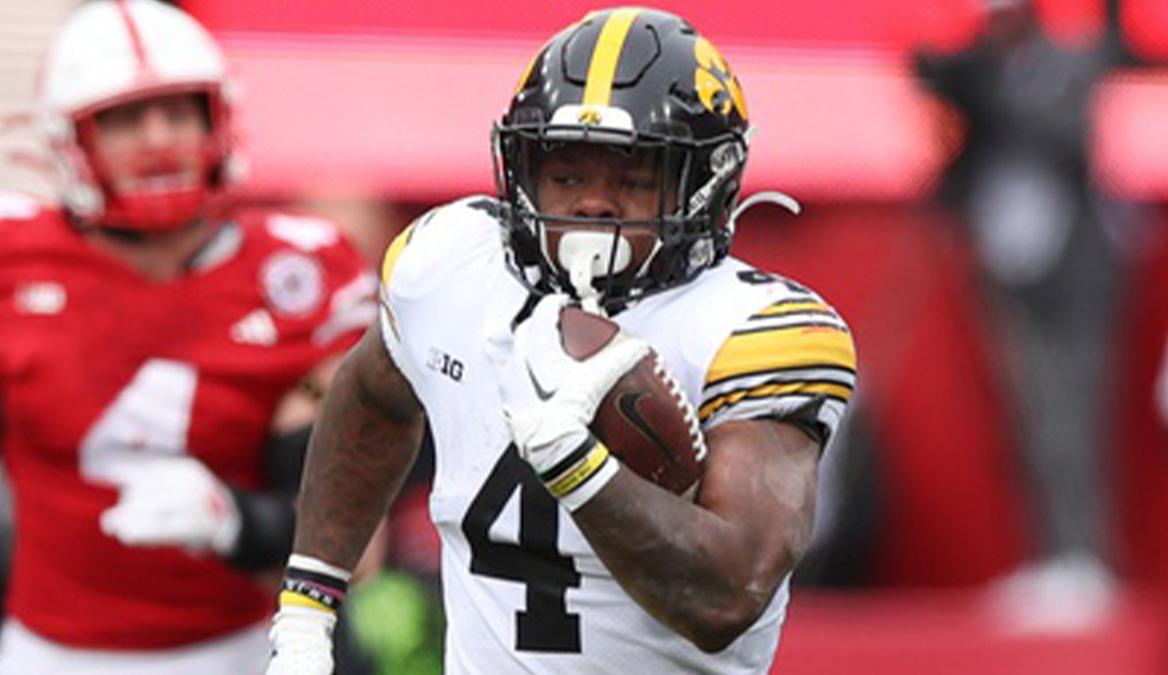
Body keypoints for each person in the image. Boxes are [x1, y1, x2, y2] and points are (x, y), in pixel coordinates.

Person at [265, 7, 857, 674]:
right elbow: (371, 393)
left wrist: (578, 466)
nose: (592, 205)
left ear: (705, 186)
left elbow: (728, 595)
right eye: (568, 174)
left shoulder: (754, 329)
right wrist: (308, 608)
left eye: (632, 176)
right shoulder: (452, 264)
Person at [0, 1, 376, 673]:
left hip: (246, 646)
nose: (159, 138)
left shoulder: (299, 273)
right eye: (125, 118)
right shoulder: (1, 258)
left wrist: (235, 521)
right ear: (69, 138)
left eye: (178, 110)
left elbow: (360, 550)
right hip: (50, 652)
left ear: (217, 117)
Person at [912, 0, 1121, 630]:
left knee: (1071, 418)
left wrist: (994, 96)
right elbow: (960, 154)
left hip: (1073, 271)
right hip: (1008, 266)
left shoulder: (1066, 63)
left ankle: (1085, 559)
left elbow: (1067, 134)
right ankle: (1053, 557)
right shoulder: (986, 68)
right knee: (1029, 417)